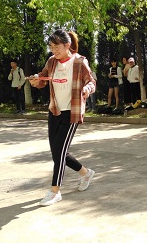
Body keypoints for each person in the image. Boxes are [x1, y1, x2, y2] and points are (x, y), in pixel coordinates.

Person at [28, 30, 96, 206]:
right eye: (51, 47)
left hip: (72, 112)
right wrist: (36, 80)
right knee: (57, 153)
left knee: (59, 153)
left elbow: (91, 82)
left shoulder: (79, 62)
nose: (54, 50)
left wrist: (86, 90)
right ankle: (85, 173)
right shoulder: (52, 62)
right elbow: (43, 79)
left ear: (67, 45)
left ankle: (54, 191)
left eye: (56, 46)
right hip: (55, 111)